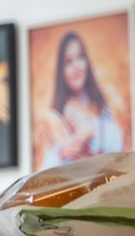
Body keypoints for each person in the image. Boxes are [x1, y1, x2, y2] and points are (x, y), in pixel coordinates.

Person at [34, 30, 123, 166]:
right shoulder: (53, 117)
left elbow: (118, 144)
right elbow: (43, 171)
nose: (76, 66)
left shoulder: (100, 104)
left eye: (80, 57)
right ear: (61, 70)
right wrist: (62, 152)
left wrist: (92, 129)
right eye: (69, 62)